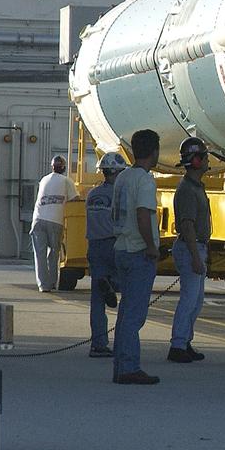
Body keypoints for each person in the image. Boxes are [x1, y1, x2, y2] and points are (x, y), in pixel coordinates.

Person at [110, 129, 162, 385]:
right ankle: (130, 367)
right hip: (137, 250)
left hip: (120, 246)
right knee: (134, 315)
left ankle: (120, 365)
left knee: (124, 313)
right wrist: (151, 246)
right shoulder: (144, 180)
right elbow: (144, 214)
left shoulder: (122, 178)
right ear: (154, 152)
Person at [167, 137, 212, 363]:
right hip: (189, 248)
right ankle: (177, 345)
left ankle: (185, 341)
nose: (207, 160)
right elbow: (187, 225)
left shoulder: (196, 187)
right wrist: (196, 256)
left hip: (196, 248)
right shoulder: (186, 190)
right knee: (189, 299)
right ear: (195, 161)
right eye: (204, 156)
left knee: (196, 301)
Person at [84, 152, 126, 358]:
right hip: (114, 243)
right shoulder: (119, 195)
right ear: (118, 173)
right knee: (126, 289)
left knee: (97, 302)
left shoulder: (92, 194)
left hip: (94, 245)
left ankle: (98, 344)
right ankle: (124, 341)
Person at [31, 155, 79, 292]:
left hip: (38, 220)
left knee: (39, 254)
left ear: (52, 167)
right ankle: (52, 282)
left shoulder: (44, 179)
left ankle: (43, 285)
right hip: (55, 221)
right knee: (54, 253)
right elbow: (75, 200)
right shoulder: (66, 181)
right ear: (63, 167)